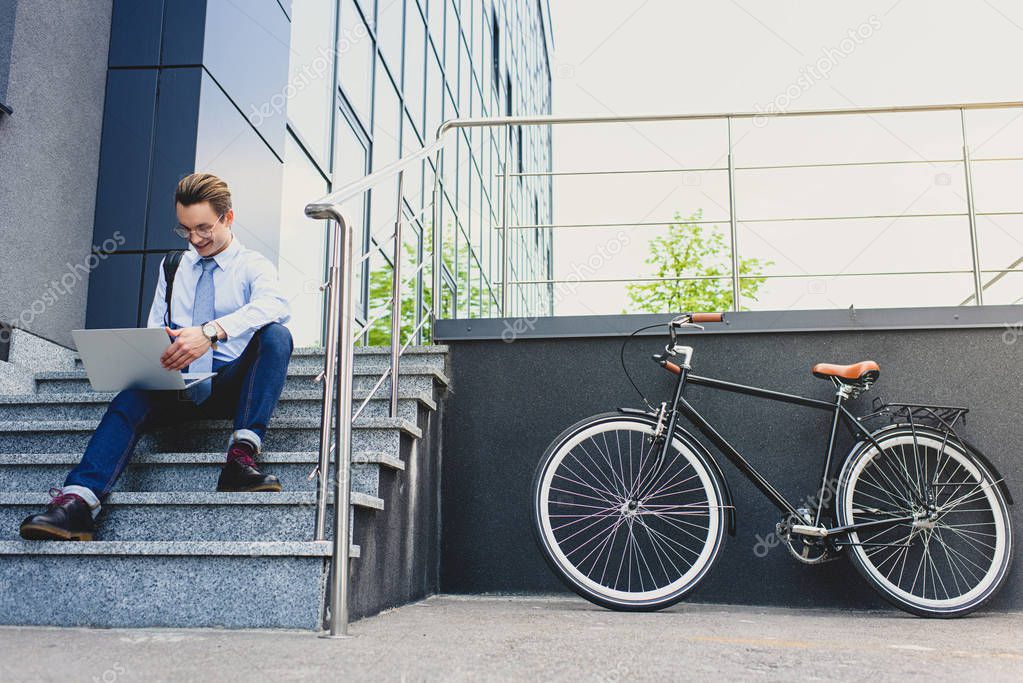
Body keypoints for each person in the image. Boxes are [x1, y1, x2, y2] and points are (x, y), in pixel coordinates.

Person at [20, 172, 293, 541]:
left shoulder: (252, 265)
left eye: (203, 228)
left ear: (228, 218)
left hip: (232, 385)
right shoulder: (173, 266)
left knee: (276, 335)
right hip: (179, 385)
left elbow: (274, 304)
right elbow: (155, 326)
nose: (195, 239)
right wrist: (157, 350)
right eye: (185, 230)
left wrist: (209, 334)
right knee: (129, 399)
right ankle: (79, 503)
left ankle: (241, 456)